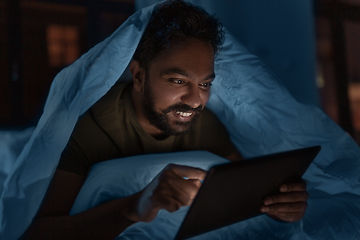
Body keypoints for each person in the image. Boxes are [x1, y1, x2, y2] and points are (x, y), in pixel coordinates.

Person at [22, 1, 308, 239]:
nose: (195, 100)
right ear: (139, 76)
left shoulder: (204, 123)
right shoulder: (90, 128)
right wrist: (133, 207)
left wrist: (280, 204)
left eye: (205, 84)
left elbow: (242, 190)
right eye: (178, 80)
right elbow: (37, 232)